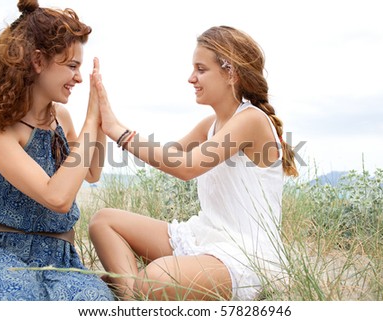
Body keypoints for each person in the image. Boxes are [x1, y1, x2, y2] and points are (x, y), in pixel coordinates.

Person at [89, 26, 298, 301]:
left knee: (159, 275)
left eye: (201, 69)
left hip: (245, 255)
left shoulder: (252, 120)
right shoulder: (210, 125)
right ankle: (134, 293)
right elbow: (169, 154)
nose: (191, 78)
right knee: (104, 222)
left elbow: (186, 167)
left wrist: (120, 131)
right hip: (205, 235)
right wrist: (107, 124)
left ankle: (132, 288)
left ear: (230, 73)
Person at [0, 0, 114, 301]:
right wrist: (91, 120)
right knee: (14, 300)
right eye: (71, 66)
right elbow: (56, 196)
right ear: (38, 61)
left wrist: (99, 120)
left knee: (94, 304)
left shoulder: (61, 119)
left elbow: (93, 172)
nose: (79, 78)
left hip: (60, 257)